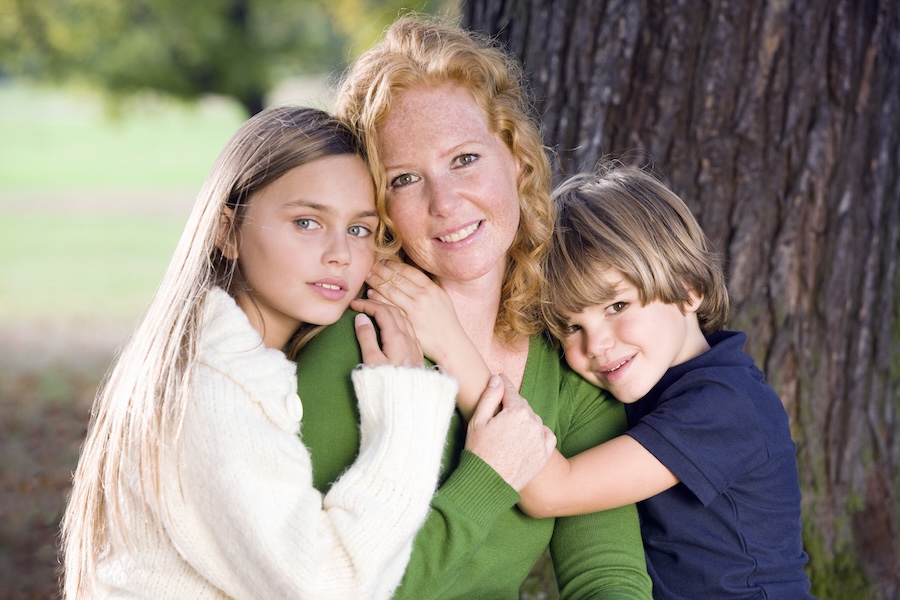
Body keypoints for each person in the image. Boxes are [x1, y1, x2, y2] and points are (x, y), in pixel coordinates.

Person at [292, 17, 653, 599]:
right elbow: (321, 587)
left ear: (516, 159)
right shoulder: (356, 345)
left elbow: (606, 575)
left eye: (464, 159)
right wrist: (484, 480)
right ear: (379, 206)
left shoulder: (574, 351)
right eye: (404, 179)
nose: (445, 202)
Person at [60, 106, 470, 600]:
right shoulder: (213, 389)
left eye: (359, 229)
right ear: (226, 232)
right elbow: (328, 589)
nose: (340, 253)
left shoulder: (228, 364)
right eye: (307, 222)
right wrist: (407, 408)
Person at [514, 163, 814, 598]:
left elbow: (552, 492)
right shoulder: (635, 387)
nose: (596, 344)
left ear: (688, 289)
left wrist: (452, 348)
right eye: (572, 327)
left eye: (617, 306)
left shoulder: (726, 404)